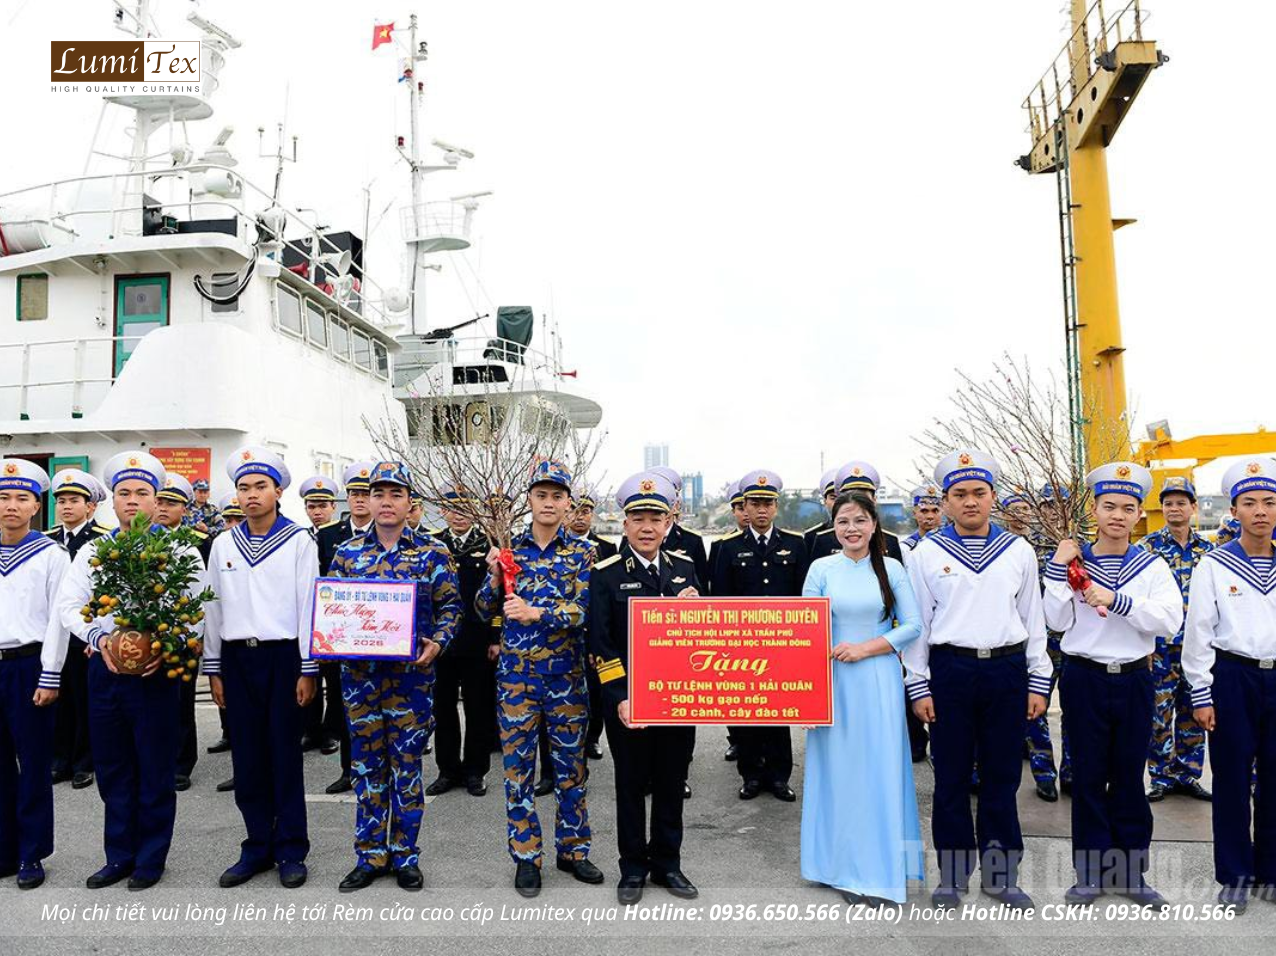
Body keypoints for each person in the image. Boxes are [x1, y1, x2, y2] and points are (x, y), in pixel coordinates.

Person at [903, 450, 1052, 910]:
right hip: (951, 671)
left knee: (1002, 775)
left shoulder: (1018, 550)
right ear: (945, 502)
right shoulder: (926, 554)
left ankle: (1001, 873)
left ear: (993, 498)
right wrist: (918, 684)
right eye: (959, 494)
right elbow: (918, 626)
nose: (970, 502)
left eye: (979, 493)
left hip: (1007, 671)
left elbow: (1033, 618)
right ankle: (951, 874)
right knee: (948, 777)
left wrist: (1038, 680)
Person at [56, 451, 201, 891]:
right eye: (124, 493)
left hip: (156, 672)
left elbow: (197, 610)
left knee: (154, 766)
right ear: (112, 501)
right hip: (104, 670)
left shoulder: (180, 551)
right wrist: (99, 639)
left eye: (142, 493)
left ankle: (151, 857)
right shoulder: (94, 552)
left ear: (157, 500)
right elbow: (68, 605)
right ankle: (118, 855)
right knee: (114, 766)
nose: (132, 501)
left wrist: (169, 643)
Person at [1045, 462, 1181, 908]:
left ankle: (1131, 871)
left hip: (1135, 678)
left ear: (1139, 513)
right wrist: (1056, 570)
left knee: (1128, 776)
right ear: (1095, 510)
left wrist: (1118, 600)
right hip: (1084, 675)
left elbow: (1169, 620)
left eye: (1127, 507)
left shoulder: (1151, 565)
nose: (1118, 515)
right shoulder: (1075, 562)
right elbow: (1056, 620)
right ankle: (1089, 871)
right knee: (1087, 776)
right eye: (1109, 506)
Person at [328, 462, 461, 892]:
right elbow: (331, 610)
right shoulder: (347, 553)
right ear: (368, 500)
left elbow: (451, 609)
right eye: (378, 494)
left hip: (411, 681)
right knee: (366, 768)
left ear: (409, 503)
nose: (386, 502)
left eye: (395, 494)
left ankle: (405, 856)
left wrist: (437, 643)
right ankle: (369, 856)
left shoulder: (433, 554)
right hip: (361, 681)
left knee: (406, 769)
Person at [475, 460, 603, 897]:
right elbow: (481, 611)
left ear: (568, 503)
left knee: (571, 769)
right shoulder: (511, 550)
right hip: (517, 680)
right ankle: (526, 856)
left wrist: (538, 613)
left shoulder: (583, 553)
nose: (549, 503)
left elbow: (587, 612)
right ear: (528, 500)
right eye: (541, 495)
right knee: (518, 771)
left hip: (566, 679)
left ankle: (573, 849)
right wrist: (493, 577)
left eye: (557, 496)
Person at [202, 447, 318, 890]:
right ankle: (256, 846)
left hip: (283, 656)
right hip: (237, 658)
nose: (251, 495)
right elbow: (212, 608)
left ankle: (291, 847)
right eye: (244, 488)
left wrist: (307, 669)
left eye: (260, 487)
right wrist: (213, 668)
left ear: (278, 492)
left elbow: (308, 604)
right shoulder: (223, 543)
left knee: (284, 755)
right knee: (247, 757)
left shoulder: (298, 541)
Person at [801, 490, 923, 907]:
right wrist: (805, 697)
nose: (851, 529)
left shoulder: (891, 569)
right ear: (833, 528)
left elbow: (912, 626)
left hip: (876, 680)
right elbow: (804, 629)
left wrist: (865, 648)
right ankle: (836, 867)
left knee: (878, 772)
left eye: (859, 521)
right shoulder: (821, 568)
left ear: (874, 525)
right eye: (843, 522)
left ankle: (879, 872)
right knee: (838, 774)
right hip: (831, 681)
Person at [588, 472, 701, 905]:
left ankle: (668, 865)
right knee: (631, 786)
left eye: (656, 517)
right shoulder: (607, 574)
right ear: (624, 523)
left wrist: (695, 613)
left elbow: (699, 640)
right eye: (638, 517)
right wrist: (620, 698)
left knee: (672, 783)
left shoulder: (686, 570)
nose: (647, 526)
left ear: (668, 522)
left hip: (678, 701)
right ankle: (633, 867)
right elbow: (599, 645)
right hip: (630, 703)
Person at [1183, 458, 1276, 912]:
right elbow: (1198, 632)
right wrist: (1201, 692)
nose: (1261, 511)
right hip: (1233, 678)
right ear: (1234, 510)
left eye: (1270, 502)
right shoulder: (1214, 566)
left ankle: (1271, 871)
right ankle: (1235, 875)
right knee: (1233, 780)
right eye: (1250, 503)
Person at [712, 469, 809, 802]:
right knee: (748, 711)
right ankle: (751, 775)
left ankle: (779, 777)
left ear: (777, 507)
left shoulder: (796, 545)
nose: (762, 509)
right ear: (745, 507)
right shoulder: (727, 548)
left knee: (779, 712)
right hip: (743, 646)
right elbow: (720, 598)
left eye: (768, 503)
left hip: (784, 644)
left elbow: (804, 597)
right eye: (755, 503)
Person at [0, 459, 71, 890]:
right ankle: (4, 849)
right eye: (4, 497)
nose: (11, 506)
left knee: (33, 764)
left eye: (21, 498)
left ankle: (31, 853)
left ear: (35, 506)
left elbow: (58, 621)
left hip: (28, 667)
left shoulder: (50, 555)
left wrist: (51, 675)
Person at [1138, 476, 1213, 803]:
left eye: (1181, 502)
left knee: (1193, 712)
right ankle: (1160, 777)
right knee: (1159, 714)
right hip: (1161, 649)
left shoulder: (1209, 552)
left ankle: (1188, 774)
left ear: (1193, 507)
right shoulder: (1147, 549)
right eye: (1168, 503)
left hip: (1197, 648)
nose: (1174, 508)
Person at [428, 486, 499, 798]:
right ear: (443, 511)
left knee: (478, 706)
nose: (458, 514)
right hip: (439, 641)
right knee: (442, 707)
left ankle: (475, 771)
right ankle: (447, 770)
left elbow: (499, 595)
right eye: (451, 508)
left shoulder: (488, 545)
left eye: (465, 508)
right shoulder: (432, 544)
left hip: (476, 639)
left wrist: (495, 636)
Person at [312, 461, 377, 792]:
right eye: (354, 494)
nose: (360, 500)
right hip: (343, 635)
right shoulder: (327, 536)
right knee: (345, 703)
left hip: (379, 634)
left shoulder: (386, 533)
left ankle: (377, 769)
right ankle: (349, 770)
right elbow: (319, 586)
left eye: (366, 494)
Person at [46, 469, 109, 791]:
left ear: (91, 507)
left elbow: (105, 593)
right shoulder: (47, 541)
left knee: (85, 700)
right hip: (56, 633)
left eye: (74, 501)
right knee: (59, 698)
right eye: (61, 501)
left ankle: (85, 763)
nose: (67, 507)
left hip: (86, 634)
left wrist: (95, 631)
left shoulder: (101, 540)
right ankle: (60, 760)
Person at [152, 473, 211, 793]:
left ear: (185, 509)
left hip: (183, 633)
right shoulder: (141, 538)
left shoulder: (199, 542)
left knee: (181, 703)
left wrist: (197, 634)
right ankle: (157, 758)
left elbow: (205, 592)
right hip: (149, 635)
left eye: (171, 503)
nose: (162, 508)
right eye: (159, 501)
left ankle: (181, 763)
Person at [709, 479, 748, 764]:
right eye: (741, 507)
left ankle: (777, 770)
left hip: (783, 637)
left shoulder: (794, 543)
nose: (747, 512)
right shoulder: (724, 546)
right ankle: (739, 743)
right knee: (739, 700)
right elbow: (717, 592)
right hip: (737, 637)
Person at [809, 462, 904, 561]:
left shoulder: (890, 542)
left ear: (874, 500)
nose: (856, 501)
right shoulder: (824, 540)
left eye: (863, 496)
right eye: (852, 495)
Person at [650, 465, 710, 589]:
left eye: (666, 499)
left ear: (676, 504)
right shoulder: (631, 540)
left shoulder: (692, 541)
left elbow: (702, 591)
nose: (661, 506)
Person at [802, 468, 839, 556]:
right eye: (833, 498)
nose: (838, 502)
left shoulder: (863, 533)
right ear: (825, 501)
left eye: (842, 497)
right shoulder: (812, 536)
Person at [902, 485, 942, 554]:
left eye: (935, 511)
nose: (930, 516)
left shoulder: (952, 544)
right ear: (914, 514)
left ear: (942, 512)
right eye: (924, 511)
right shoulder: (906, 549)